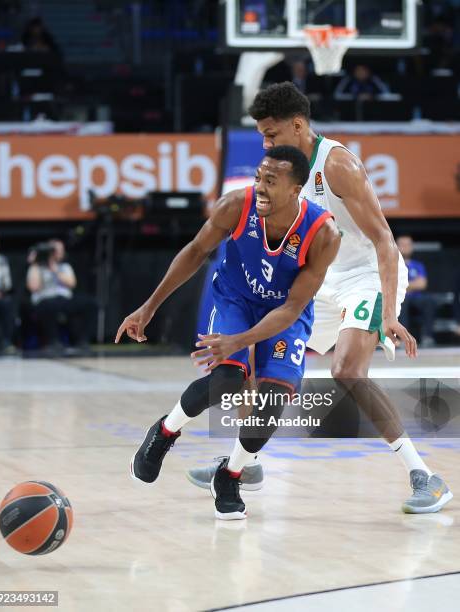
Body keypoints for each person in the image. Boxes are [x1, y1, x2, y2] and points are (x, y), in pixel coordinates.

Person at [187, 82, 452, 514]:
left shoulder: (338, 165)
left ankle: (424, 475)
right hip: (322, 281)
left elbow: (384, 238)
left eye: (271, 134)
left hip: (366, 275)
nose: (266, 144)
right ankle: (245, 463)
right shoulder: (279, 169)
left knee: (347, 369)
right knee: (254, 360)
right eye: (262, 137)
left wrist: (387, 309)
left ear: (297, 125)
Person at [115, 146, 341, 520]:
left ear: (296, 188)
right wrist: (149, 306)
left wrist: (241, 340)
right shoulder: (235, 205)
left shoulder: (323, 234)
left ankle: (230, 473)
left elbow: (291, 308)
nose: (261, 187)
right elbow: (195, 250)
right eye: (259, 178)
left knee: (272, 401)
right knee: (226, 381)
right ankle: (164, 433)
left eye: (271, 181)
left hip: (284, 312)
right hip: (235, 298)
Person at [26, 239, 96, 351]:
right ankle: (53, 342)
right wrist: (35, 263)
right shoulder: (36, 267)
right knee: (49, 306)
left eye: (60, 250)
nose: (58, 253)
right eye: (55, 250)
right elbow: (33, 287)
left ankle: (82, 341)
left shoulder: (65, 267)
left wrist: (54, 269)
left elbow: (72, 283)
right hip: (44, 300)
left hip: (64, 299)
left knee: (90, 303)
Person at [396, 235, 436, 348]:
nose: (405, 247)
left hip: (416, 298)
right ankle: (403, 339)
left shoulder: (418, 265)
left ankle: (428, 337)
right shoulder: (393, 264)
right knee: (403, 302)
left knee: (429, 300)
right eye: (402, 244)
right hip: (400, 298)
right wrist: (413, 284)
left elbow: (422, 284)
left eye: (408, 244)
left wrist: (404, 285)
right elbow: (393, 284)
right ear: (396, 246)